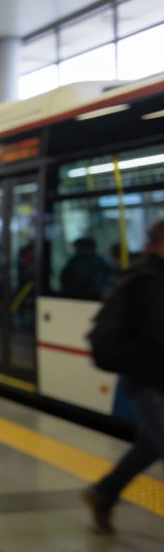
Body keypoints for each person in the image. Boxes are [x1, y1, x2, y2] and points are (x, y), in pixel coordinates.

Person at [82, 219, 164, 532]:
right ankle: (104, 492)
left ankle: (103, 492)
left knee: (151, 444)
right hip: (149, 379)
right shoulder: (148, 280)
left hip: (154, 377)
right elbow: (157, 335)